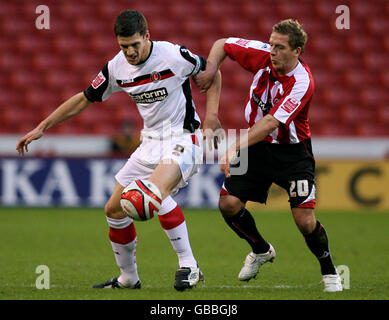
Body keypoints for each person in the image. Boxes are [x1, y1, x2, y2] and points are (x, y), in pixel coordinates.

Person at [16, 10, 221, 291]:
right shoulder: (116, 67)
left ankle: (190, 266)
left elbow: (213, 71)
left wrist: (211, 116)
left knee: (153, 193)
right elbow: (84, 98)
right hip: (149, 142)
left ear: (147, 36)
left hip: (183, 137)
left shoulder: (173, 56)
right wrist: (42, 126)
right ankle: (128, 279)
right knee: (113, 209)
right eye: (123, 46)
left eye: (135, 45)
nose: (130, 52)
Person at [195, 19, 342, 292]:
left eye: (280, 47)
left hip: (293, 154)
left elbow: (272, 122)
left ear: (297, 51)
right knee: (228, 204)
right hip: (257, 148)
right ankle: (261, 250)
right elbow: (221, 44)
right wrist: (212, 68)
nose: (272, 51)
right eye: (272, 44)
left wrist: (235, 146)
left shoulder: (302, 82)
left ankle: (329, 270)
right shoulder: (262, 55)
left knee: (304, 221)